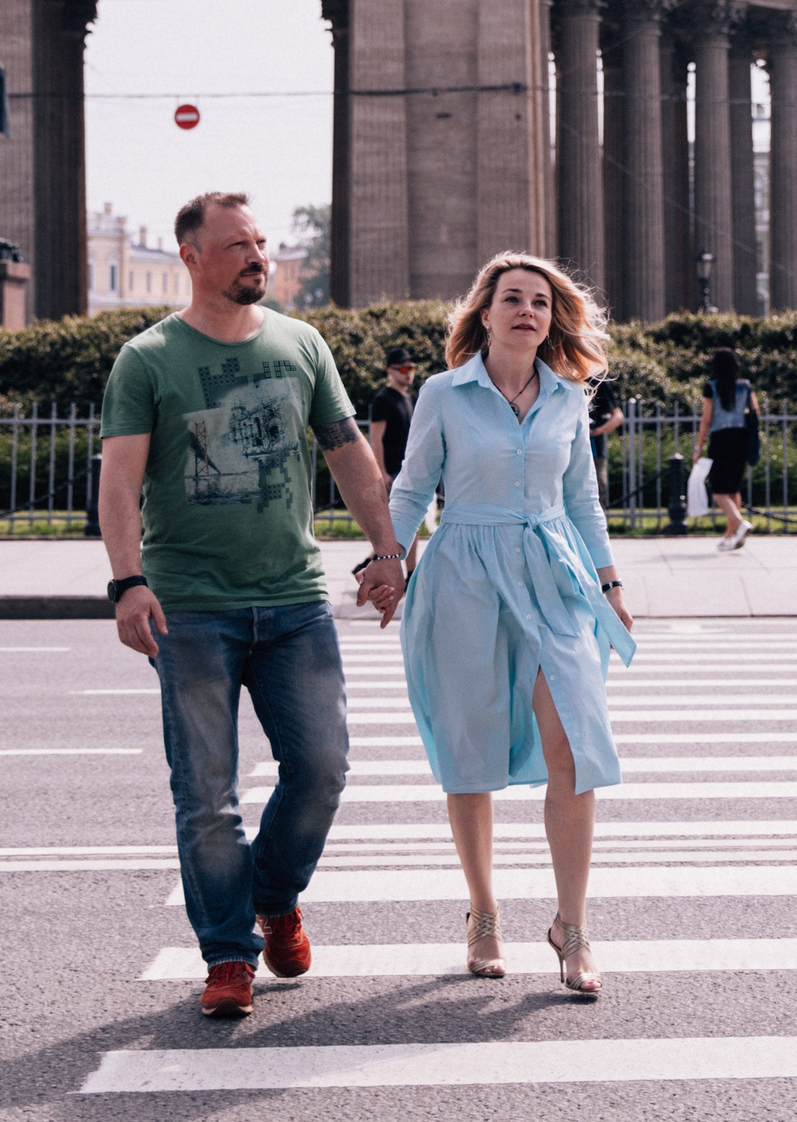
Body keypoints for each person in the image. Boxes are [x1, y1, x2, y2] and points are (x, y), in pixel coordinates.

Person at [98, 191, 409, 1022]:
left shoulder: (302, 343)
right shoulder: (148, 358)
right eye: (237, 244)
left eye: (261, 241)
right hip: (191, 608)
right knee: (207, 794)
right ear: (191, 257)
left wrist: (386, 549)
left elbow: (348, 452)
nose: (257, 255)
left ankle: (274, 894)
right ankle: (228, 952)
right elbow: (120, 479)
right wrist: (127, 580)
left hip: (295, 600)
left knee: (323, 768)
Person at [389, 252, 633, 997]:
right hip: (464, 575)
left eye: (540, 302)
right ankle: (484, 913)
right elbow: (411, 488)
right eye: (513, 299)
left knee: (576, 745)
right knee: (469, 747)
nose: (528, 310)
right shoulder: (443, 393)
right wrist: (387, 560)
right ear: (486, 314)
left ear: (552, 320)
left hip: (554, 575)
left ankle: (572, 926)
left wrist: (610, 582)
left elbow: (583, 500)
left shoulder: (568, 398)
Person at [699, 348, 758, 551]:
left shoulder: (711, 387)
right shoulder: (745, 386)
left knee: (718, 491)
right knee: (733, 489)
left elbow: (706, 419)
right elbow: (755, 410)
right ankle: (730, 536)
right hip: (741, 437)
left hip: (720, 438)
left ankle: (740, 524)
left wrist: (699, 446)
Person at [367, 346, 419, 479]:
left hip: (409, 470)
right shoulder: (382, 400)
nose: (408, 373)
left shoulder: (409, 399)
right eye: (403, 369)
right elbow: (375, 438)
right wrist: (382, 472)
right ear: (390, 371)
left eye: (411, 368)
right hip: (392, 473)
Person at [587, 372, 623, 502]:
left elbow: (618, 416)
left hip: (594, 448)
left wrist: (596, 431)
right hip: (567, 446)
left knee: (596, 489)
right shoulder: (559, 375)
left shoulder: (597, 380)